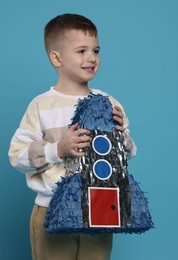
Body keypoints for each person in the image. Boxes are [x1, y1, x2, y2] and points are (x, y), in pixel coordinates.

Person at [8, 13, 137, 260]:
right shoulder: (41, 106)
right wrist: (57, 149)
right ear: (56, 58)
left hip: (100, 207)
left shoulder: (109, 103)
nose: (91, 58)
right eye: (81, 51)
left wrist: (123, 139)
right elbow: (17, 157)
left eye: (96, 51)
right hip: (52, 208)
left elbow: (128, 153)